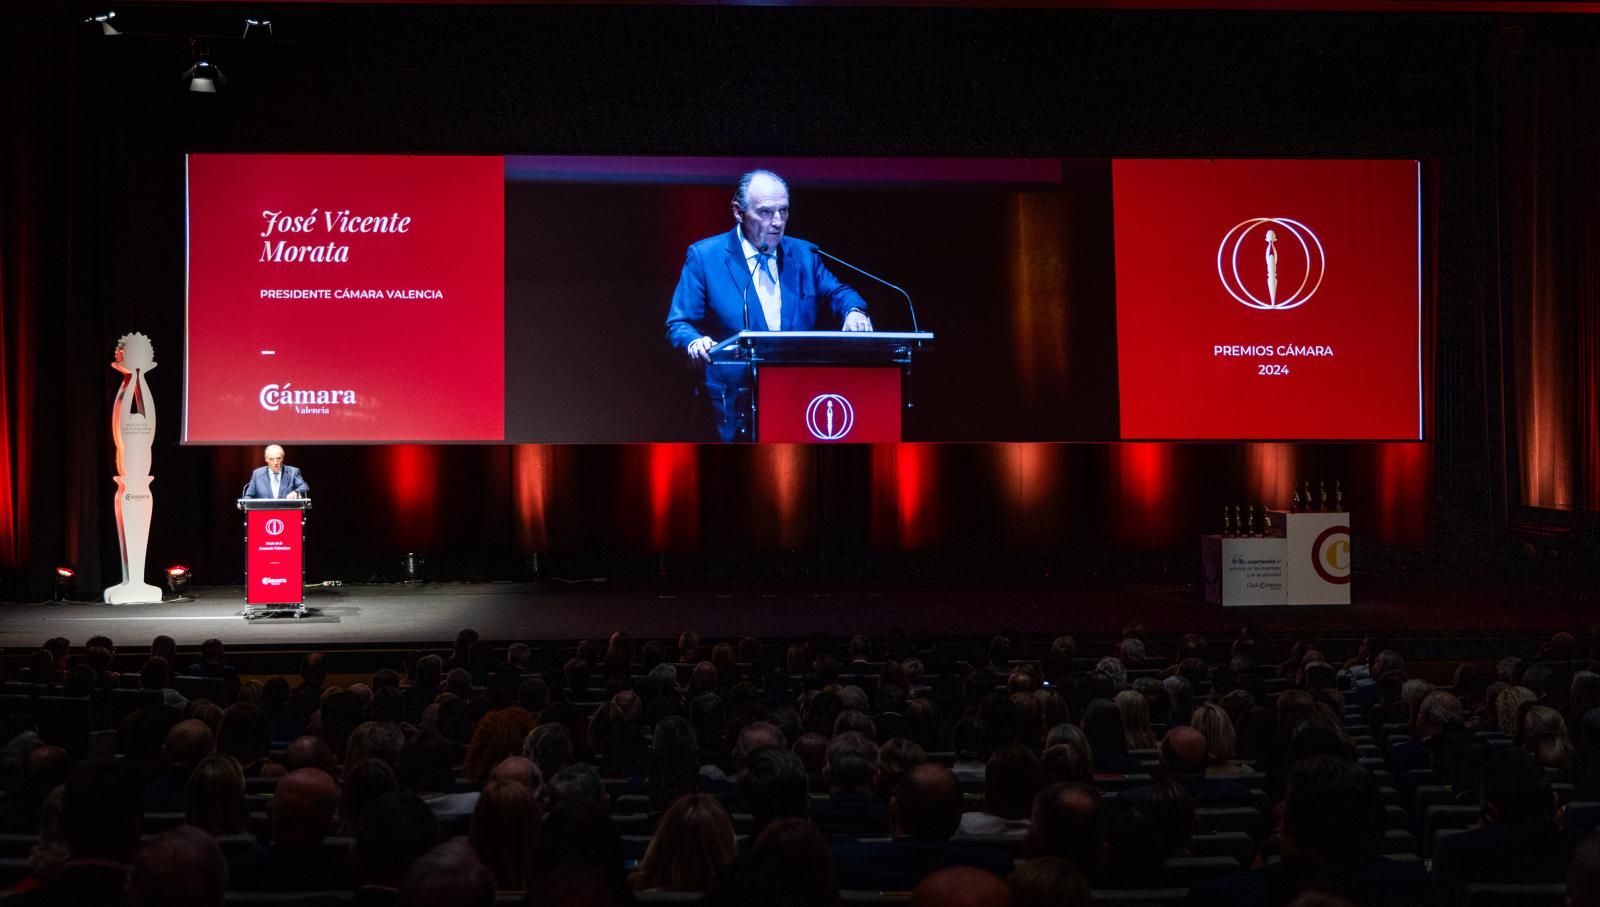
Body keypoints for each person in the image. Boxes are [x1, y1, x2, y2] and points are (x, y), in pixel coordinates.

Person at [664, 169, 873, 441]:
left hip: (797, 399)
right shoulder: (705, 257)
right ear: (738, 212)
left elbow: (839, 292)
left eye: (783, 211)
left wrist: (853, 310)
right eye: (765, 212)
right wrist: (694, 342)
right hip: (732, 404)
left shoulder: (804, 254)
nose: (777, 222)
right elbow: (679, 323)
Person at [242, 443, 309, 499]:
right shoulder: (257, 474)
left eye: (278, 458)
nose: (276, 462)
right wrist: (244, 503)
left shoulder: (293, 472)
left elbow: (304, 487)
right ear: (266, 459)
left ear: (283, 458)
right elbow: (249, 496)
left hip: (287, 512)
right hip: (264, 512)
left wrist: (296, 492)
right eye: (271, 459)